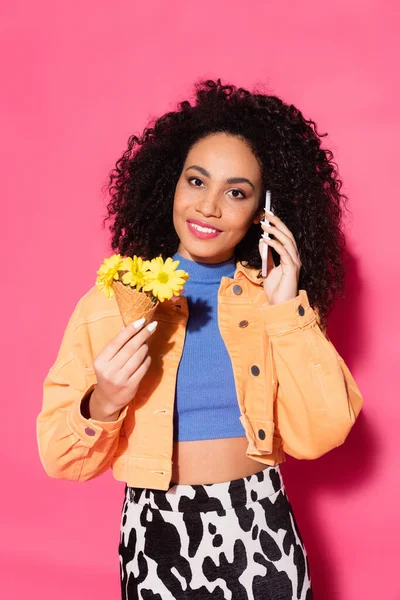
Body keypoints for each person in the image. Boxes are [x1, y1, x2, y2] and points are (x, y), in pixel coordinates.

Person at [37, 78, 364, 600]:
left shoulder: (275, 304)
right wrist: (103, 401)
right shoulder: (110, 303)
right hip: (155, 533)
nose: (209, 207)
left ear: (264, 210)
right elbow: (60, 458)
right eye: (196, 181)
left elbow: (322, 434)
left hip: (260, 526)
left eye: (236, 192)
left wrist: (286, 311)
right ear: (170, 184)